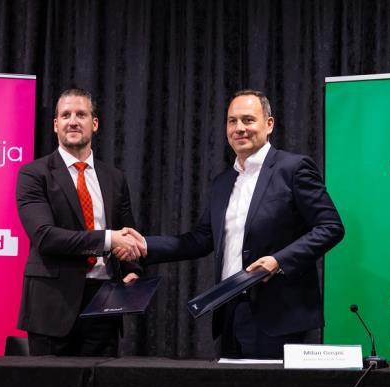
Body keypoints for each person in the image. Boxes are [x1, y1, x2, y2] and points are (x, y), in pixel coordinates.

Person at [117, 89, 344, 359]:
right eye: (232, 121)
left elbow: (330, 227)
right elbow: (201, 239)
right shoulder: (222, 182)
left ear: (269, 124)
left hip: (280, 315)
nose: (239, 128)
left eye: (248, 120)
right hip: (230, 311)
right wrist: (144, 244)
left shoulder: (293, 168)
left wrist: (278, 261)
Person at [16, 88, 143, 356]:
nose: (73, 121)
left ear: (94, 124)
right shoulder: (33, 174)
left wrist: (131, 266)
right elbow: (46, 237)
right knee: (51, 383)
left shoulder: (115, 178)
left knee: (101, 383)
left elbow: (127, 232)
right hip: (52, 306)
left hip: (104, 305)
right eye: (66, 115)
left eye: (81, 114)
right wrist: (109, 239)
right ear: (55, 125)